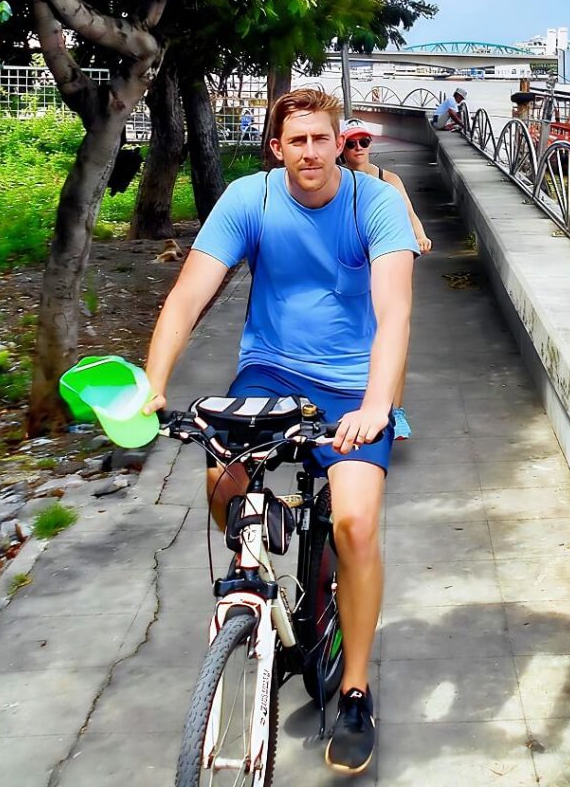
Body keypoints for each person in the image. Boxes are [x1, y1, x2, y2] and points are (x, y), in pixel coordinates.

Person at [142, 88, 417, 775]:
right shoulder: (251, 200)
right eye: (297, 142)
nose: (311, 152)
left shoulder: (373, 204)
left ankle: (354, 691)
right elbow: (187, 295)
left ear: (338, 142)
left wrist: (377, 405)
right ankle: (269, 556)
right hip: (269, 373)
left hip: (355, 383)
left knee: (354, 524)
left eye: (322, 139)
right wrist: (154, 384)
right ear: (277, 148)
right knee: (221, 483)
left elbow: (395, 317)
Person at [338, 118, 430, 440]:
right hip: (354, 264)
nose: (359, 149)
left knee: (395, 331)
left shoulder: (387, 179)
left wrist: (420, 236)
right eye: (351, 143)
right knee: (357, 333)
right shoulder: (338, 183)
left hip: (389, 260)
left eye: (364, 142)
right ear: (341, 147)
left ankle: (397, 410)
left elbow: (409, 212)